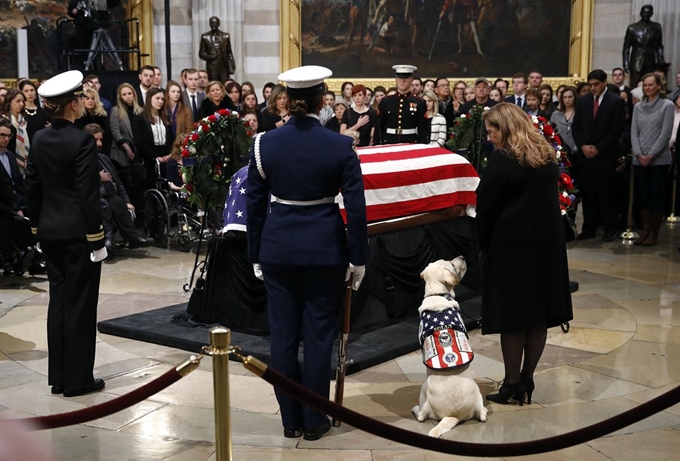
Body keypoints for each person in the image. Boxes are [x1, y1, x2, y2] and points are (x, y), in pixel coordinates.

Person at [246, 65, 367, 441]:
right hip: (324, 250)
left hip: (277, 249)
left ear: (288, 102)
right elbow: (356, 208)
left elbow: (254, 204)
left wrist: (255, 253)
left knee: (282, 338)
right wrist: (358, 257)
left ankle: (290, 420)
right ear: (322, 102)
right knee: (316, 338)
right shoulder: (340, 144)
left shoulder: (264, 143)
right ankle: (314, 420)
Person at [476, 103, 573, 405]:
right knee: (538, 317)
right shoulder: (544, 155)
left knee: (513, 318)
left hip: (512, 248)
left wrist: (481, 245)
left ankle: (511, 383)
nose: (489, 136)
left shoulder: (501, 161)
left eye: (492, 130)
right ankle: (527, 379)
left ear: (505, 128)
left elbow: (486, 208)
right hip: (546, 246)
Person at [25, 70, 108, 397]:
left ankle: (59, 377)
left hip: (49, 231)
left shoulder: (40, 138)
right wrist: (96, 237)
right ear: (72, 104)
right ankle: (79, 380)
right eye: (81, 99)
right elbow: (87, 194)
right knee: (81, 306)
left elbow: (33, 187)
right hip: (78, 235)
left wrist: (36, 227)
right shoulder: (82, 140)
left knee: (59, 303)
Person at [572, 69, 626, 242]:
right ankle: (589, 228)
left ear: (605, 83)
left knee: (606, 194)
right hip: (585, 155)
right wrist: (583, 146)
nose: (593, 88)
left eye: (596, 84)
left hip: (605, 155)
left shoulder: (615, 101)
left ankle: (609, 228)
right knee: (588, 194)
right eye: (591, 85)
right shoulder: (583, 101)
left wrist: (598, 148)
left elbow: (616, 129)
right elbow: (576, 126)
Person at [83, 123, 153, 251]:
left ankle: (129, 236)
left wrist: (127, 201)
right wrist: (99, 178)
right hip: (93, 196)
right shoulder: (82, 159)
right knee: (105, 203)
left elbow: (119, 183)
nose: (99, 143)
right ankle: (112, 237)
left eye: (101, 140)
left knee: (117, 201)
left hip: (109, 194)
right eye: (95, 140)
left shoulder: (104, 158)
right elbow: (81, 181)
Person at [630, 73, 675, 246]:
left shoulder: (667, 105)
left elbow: (665, 134)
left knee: (656, 194)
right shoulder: (638, 107)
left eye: (650, 85)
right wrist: (639, 154)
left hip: (659, 159)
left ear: (659, 86)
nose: (647, 88)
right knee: (644, 195)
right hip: (640, 158)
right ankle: (645, 230)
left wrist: (651, 155)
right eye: (645, 85)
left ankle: (654, 233)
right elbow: (634, 132)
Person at [132, 88, 176, 189]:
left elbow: (171, 138)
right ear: (149, 99)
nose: (160, 101)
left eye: (162, 99)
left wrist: (170, 154)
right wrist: (155, 156)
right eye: (157, 98)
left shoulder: (165, 118)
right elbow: (138, 142)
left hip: (165, 157)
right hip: (149, 159)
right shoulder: (140, 119)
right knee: (150, 188)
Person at [378, 65, 427, 144]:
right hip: (389, 142)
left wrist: (422, 147)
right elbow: (380, 125)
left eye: (406, 77)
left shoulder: (419, 103)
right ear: (396, 79)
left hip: (410, 142)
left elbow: (422, 129)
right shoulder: (386, 101)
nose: (402, 80)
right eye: (400, 77)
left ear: (411, 80)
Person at [623, 5, 665, 88]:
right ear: (641, 13)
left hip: (650, 60)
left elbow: (659, 45)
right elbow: (626, 48)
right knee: (634, 85)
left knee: (649, 84)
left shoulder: (656, 27)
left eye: (648, 13)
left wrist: (660, 58)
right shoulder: (632, 28)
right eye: (644, 13)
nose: (646, 15)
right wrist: (626, 63)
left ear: (651, 14)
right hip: (636, 61)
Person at [199, 16, 236, 82]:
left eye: (215, 23)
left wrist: (232, 64)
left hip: (223, 66)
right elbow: (201, 53)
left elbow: (229, 52)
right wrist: (210, 57)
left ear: (218, 24)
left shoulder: (225, 36)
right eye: (212, 23)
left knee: (224, 84)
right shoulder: (205, 37)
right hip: (212, 66)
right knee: (213, 84)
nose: (213, 25)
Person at [75, 87, 111, 155]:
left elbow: (108, 137)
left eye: (93, 98)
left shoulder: (102, 116)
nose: (90, 101)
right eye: (87, 98)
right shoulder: (78, 118)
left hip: (102, 151)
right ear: (82, 100)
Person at [550, 86, 578, 154]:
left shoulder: (580, 114)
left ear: (575, 98)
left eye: (570, 97)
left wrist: (575, 149)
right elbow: (551, 133)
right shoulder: (556, 114)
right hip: (559, 151)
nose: (567, 100)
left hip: (576, 152)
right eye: (564, 97)